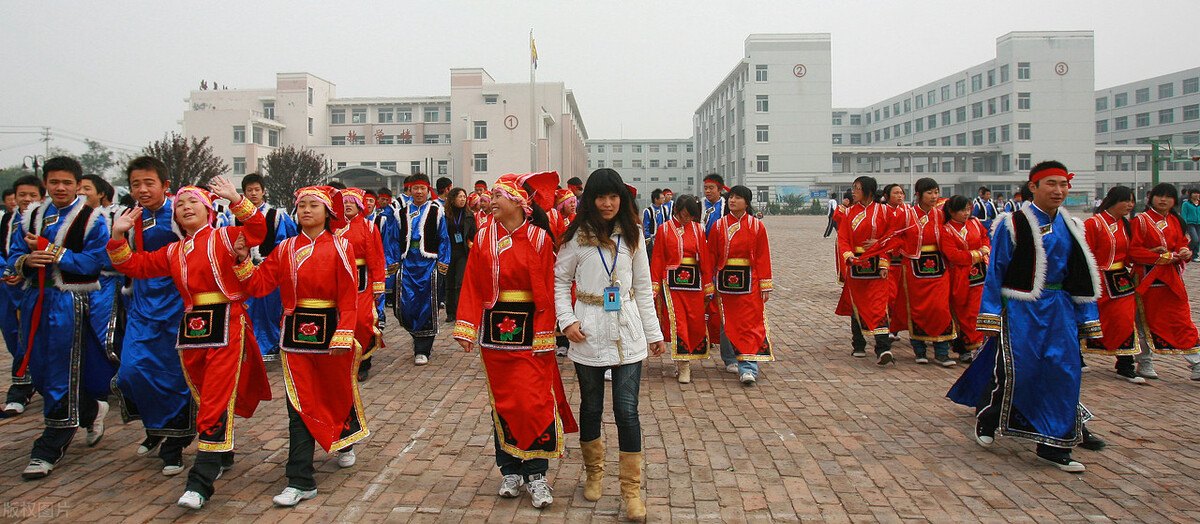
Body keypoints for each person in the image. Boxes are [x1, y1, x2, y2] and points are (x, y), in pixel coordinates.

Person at [108, 177, 272, 508]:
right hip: (194, 327)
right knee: (203, 392)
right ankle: (223, 452)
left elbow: (257, 230)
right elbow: (133, 265)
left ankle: (200, 482)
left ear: (209, 211)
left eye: (193, 202)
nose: (185, 207)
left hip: (228, 321)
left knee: (213, 398)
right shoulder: (173, 251)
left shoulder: (225, 237)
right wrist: (117, 234)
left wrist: (236, 199)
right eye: (180, 204)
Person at [948, 160, 1106, 473]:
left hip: (1060, 307)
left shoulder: (1072, 226)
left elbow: (1082, 274)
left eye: (1063, 185)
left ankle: (1054, 445)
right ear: (1033, 186)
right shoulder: (1012, 223)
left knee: (1064, 372)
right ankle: (990, 418)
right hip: (1022, 308)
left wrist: (1087, 316)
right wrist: (991, 314)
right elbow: (996, 271)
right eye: (1051, 184)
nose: (1058, 191)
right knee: (1021, 371)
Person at [453, 171, 577, 509]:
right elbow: (473, 284)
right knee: (504, 400)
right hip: (495, 333)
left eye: (498, 196)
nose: (490, 201)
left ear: (520, 204)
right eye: (490, 196)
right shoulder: (482, 239)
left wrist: (546, 332)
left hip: (531, 330)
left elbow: (548, 290)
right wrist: (466, 325)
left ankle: (536, 474)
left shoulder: (538, 238)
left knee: (534, 400)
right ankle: (509, 469)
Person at [239, 185, 368, 508]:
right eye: (302, 205)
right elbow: (258, 285)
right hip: (294, 336)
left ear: (328, 213)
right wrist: (242, 260)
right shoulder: (283, 249)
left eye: (314, 205)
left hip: (330, 332)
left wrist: (343, 331)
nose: (306, 210)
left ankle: (342, 436)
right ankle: (300, 479)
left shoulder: (340, 246)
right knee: (298, 405)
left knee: (333, 392)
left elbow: (349, 296)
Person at [554, 169, 664, 521]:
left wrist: (654, 332)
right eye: (600, 196)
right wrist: (567, 321)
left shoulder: (633, 237)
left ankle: (631, 490)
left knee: (627, 410)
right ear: (590, 199)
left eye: (613, 196)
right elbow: (559, 282)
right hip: (588, 333)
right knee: (590, 407)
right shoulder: (575, 238)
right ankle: (594, 473)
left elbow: (644, 287)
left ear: (622, 199)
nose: (607, 203)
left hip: (627, 331)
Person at [8, 157, 115, 480]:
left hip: (69, 301)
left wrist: (55, 252)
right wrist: (27, 259)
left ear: (78, 185)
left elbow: (95, 262)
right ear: (46, 184)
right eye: (54, 182)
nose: (60, 188)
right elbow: (12, 255)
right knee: (37, 371)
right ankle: (91, 408)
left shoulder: (92, 219)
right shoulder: (31, 216)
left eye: (67, 183)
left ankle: (49, 445)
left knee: (58, 373)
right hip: (34, 300)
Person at [106, 157, 194, 477]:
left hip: (176, 304)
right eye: (135, 185)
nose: (141, 190)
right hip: (141, 304)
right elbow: (121, 260)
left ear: (165, 185)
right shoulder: (128, 217)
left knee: (173, 376)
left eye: (148, 183)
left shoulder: (181, 212)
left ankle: (174, 444)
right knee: (132, 370)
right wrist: (118, 234)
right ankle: (156, 427)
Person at [1129, 183, 1200, 379]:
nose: (1163, 200)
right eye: (1159, 196)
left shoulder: (1175, 221)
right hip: (1146, 278)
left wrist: (1186, 252)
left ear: (1174, 201)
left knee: (1181, 319)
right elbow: (1133, 251)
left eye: (1168, 197)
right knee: (1144, 323)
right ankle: (1144, 362)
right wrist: (1157, 256)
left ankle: (1197, 361)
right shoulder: (1140, 221)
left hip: (1171, 279)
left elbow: (1182, 245)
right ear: (1151, 198)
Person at [709, 186, 773, 384]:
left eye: (737, 197)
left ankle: (748, 367)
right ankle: (729, 358)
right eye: (731, 197)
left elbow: (763, 256)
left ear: (747, 202)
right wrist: (709, 283)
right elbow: (711, 255)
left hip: (750, 281)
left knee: (749, 323)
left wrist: (765, 284)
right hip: (724, 282)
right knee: (726, 321)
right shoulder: (719, 226)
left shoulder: (756, 226)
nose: (732, 201)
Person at [1081, 186, 1143, 383]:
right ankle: (1077, 356)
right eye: (1126, 201)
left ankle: (1126, 363)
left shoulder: (1127, 225)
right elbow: (1085, 253)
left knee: (1125, 319)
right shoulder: (1094, 223)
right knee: (1087, 319)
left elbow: (1133, 251)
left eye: (1132, 201)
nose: (1130, 205)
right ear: (1113, 201)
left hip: (1121, 280)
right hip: (1097, 279)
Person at [387, 173, 450, 365]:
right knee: (403, 306)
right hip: (407, 264)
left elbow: (443, 238)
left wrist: (443, 261)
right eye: (416, 188)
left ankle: (423, 348)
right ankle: (416, 335)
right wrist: (393, 261)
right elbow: (393, 239)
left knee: (428, 305)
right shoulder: (401, 213)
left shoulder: (436, 211)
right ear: (410, 190)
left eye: (423, 188)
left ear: (428, 190)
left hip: (428, 263)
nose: (419, 192)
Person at [650, 195, 713, 384]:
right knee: (679, 322)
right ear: (676, 210)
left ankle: (689, 359)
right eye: (684, 215)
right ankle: (683, 364)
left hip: (694, 283)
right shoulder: (664, 230)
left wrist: (709, 284)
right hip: (672, 283)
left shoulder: (698, 229)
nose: (687, 219)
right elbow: (658, 258)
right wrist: (655, 285)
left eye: (691, 216)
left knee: (695, 321)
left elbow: (705, 259)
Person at [836, 176, 899, 365]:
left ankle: (883, 348)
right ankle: (858, 344)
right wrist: (849, 256)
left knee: (880, 305)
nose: (853, 191)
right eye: (853, 187)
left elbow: (893, 236)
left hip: (878, 265)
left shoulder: (885, 211)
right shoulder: (848, 213)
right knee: (857, 305)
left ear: (869, 191)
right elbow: (843, 238)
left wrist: (881, 254)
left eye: (857, 188)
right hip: (856, 264)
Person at [238, 173, 297, 362]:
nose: (253, 194)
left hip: (269, 269)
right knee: (247, 308)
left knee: (270, 308)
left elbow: (285, 242)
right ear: (244, 193)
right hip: (244, 270)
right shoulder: (236, 217)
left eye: (257, 190)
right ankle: (249, 344)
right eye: (249, 190)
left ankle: (271, 344)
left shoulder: (276, 215)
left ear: (264, 191)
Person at [899, 178, 958, 365]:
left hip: (939, 267)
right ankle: (919, 350)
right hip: (914, 267)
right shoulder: (907, 215)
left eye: (936, 192)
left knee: (940, 308)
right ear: (918, 195)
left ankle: (942, 351)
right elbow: (894, 236)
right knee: (918, 308)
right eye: (929, 193)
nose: (934, 197)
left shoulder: (942, 215)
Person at [2, 176, 45, 416]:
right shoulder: (9, 220)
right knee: (14, 337)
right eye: (22, 195)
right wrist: (12, 268)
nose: (26, 200)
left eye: (32, 195)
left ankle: (20, 391)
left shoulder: (44, 219)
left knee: (26, 342)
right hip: (12, 288)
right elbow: (7, 252)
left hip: (39, 289)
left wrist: (24, 268)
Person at [339, 188, 386, 382]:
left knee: (363, 320)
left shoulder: (368, 226)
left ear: (359, 206)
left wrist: (378, 284)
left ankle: (363, 362)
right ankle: (342, 362)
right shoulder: (332, 227)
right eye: (344, 202)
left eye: (352, 202)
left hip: (363, 281)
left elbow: (376, 257)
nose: (348, 205)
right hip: (339, 280)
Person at [939, 195, 991, 361]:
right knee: (961, 311)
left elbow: (985, 238)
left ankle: (978, 345)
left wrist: (984, 248)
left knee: (976, 310)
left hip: (980, 274)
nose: (966, 213)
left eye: (968, 209)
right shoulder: (946, 230)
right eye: (962, 210)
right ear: (951, 211)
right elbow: (953, 255)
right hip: (959, 276)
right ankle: (964, 347)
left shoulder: (975, 223)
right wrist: (978, 254)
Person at [880, 184, 909, 340]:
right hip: (888, 259)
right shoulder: (881, 212)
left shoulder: (909, 212)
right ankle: (888, 326)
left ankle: (896, 327)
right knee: (890, 295)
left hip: (904, 259)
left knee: (902, 295)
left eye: (902, 193)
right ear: (886, 196)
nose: (900, 196)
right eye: (896, 193)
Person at [444, 187, 476, 324]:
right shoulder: (445, 214)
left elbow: (474, 234)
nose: (463, 199)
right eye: (460, 197)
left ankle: (460, 311)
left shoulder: (469, 215)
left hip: (463, 252)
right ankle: (450, 312)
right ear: (453, 199)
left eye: (464, 196)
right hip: (448, 252)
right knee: (449, 282)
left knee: (460, 282)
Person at [641, 189, 667, 254]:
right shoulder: (648, 211)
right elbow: (646, 225)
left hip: (663, 237)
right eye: (662, 198)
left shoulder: (664, 209)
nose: (664, 199)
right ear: (656, 199)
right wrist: (648, 238)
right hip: (653, 239)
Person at [1182, 188, 1200, 262]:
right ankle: (1186, 250)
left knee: (1198, 240)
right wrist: (1184, 224)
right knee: (1195, 239)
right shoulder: (1186, 204)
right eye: (1194, 193)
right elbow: (1184, 214)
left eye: (1197, 193)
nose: (1196, 195)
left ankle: (1195, 255)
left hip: (1199, 223)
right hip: (1190, 223)